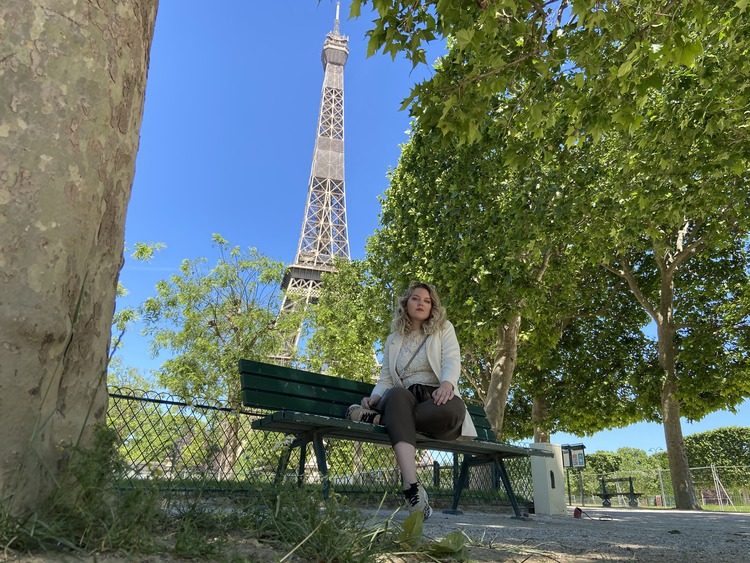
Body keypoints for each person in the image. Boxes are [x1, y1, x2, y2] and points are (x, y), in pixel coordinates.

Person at [346, 282, 477, 519]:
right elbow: (386, 378)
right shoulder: (393, 339)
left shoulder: (444, 329)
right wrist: (374, 397)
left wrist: (447, 384)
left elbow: (451, 359)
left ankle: (383, 420)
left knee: (454, 408)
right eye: (416, 298)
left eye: (427, 301)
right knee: (395, 394)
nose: (421, 303)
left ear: (433, 306)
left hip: (434, 399)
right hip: (403, 399)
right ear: (406, 303)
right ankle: (412, 488)